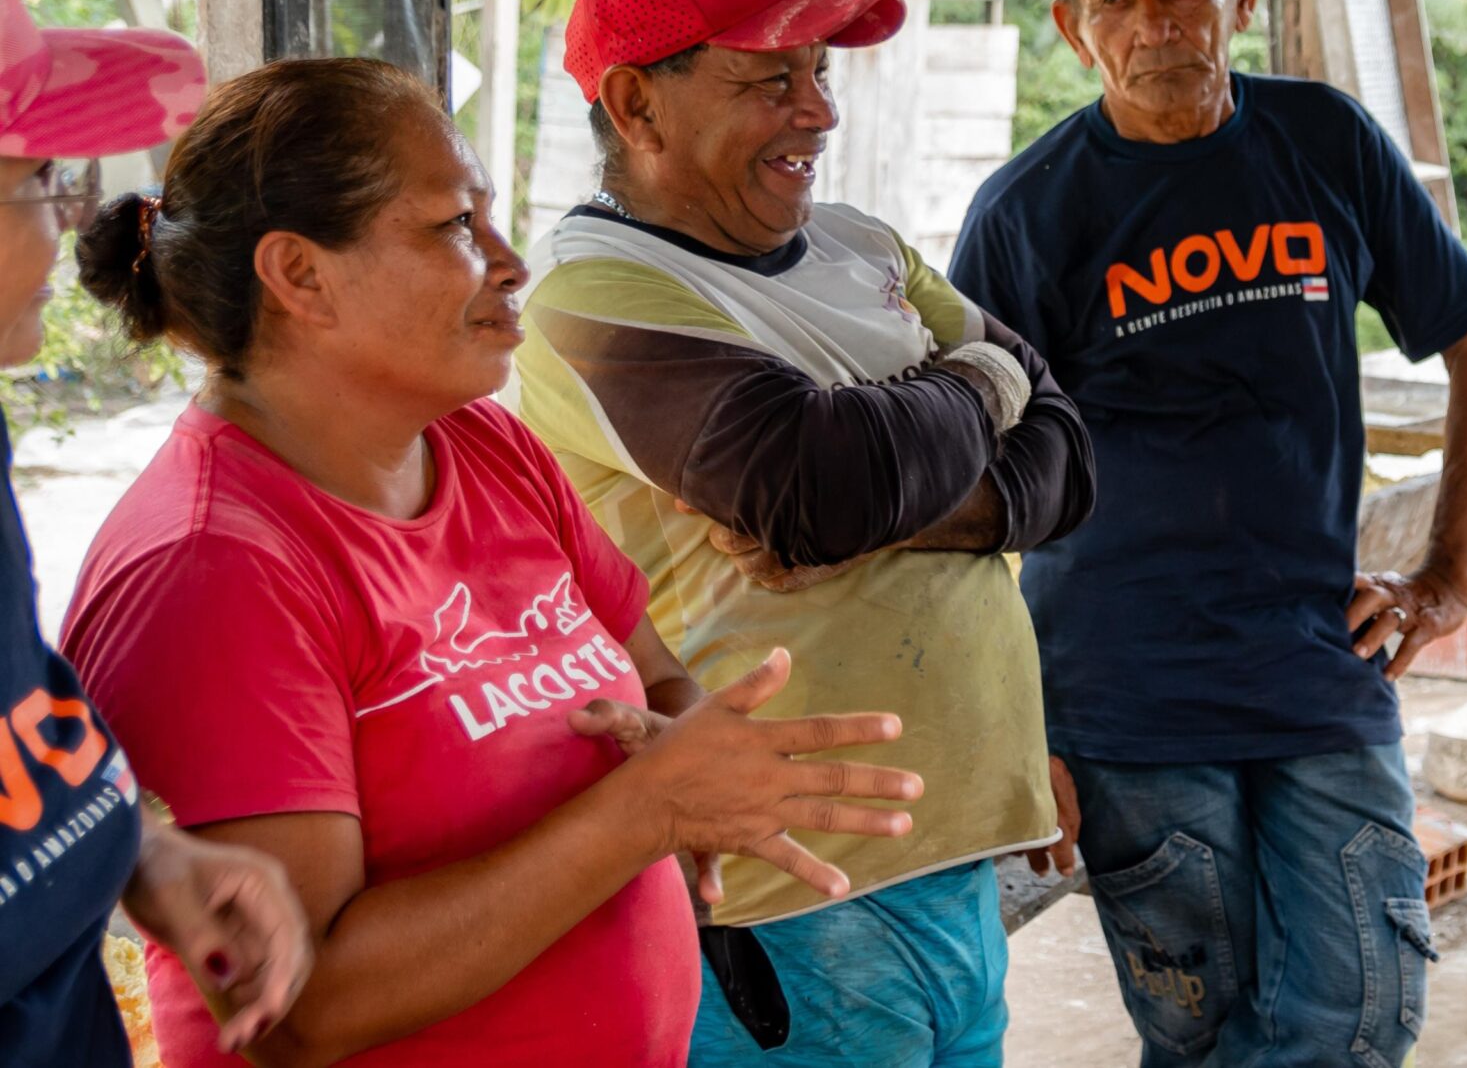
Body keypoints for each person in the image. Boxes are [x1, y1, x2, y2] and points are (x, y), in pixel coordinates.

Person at [62, 57, 923, 1068]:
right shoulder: (211, 569)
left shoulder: (484, 446)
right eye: (456, 227)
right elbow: (301, 1008)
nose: (511, 263)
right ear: (300, 276)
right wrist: (645, 811)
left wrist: (694, 746)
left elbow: (652, 672)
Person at [950, 0, 1467, 1068]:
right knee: (1202, 1037)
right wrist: (1016, 728)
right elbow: (966, 497)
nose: (1152, 22)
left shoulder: (1323, 142)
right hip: (1119, 699)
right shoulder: (1026, 213)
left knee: (1364, 1019)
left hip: (1317, 669)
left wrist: (1446, 579)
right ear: (1071, 24)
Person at [510, 0, 1095, 1068]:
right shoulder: (595, 296)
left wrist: (905, 497)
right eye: (768, 80)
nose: (818, 111)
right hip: (795, 883)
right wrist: (981, 375)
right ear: (636, 108)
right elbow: (820, 483)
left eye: (817, 73)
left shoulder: (858, 243)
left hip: (950, 853)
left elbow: (1070, 450)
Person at [0, 0, 311, 1066]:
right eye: (38, 180)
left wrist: (141, 848)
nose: (64, 222)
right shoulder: (202, 546)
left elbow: (18, 717)